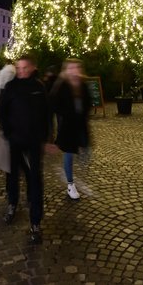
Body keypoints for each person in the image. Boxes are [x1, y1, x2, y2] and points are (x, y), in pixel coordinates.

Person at [0, 54, 51, 243]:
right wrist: (8, 132)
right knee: (12, 175)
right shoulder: (10, 87)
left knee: (35, 178)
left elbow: (47, 113)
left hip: (35, 142)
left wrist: (47, 137)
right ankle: (12, 203)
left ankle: (35, 221)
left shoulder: (39, 87)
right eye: (18, 68)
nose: (21, 72)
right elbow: (1, 112)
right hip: (15, 140)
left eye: (24, 68)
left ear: (32, 68)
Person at [49, 58, 92, 201]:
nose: (74, 71)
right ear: (66, 70)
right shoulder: (61, 85)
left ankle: (79, 165)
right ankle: (70, 184)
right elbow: (53, 104)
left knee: (85, 152)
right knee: (68, 155)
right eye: (71, 68)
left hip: (81, 126)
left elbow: (88, 103)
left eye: (76, 68)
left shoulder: (83, 85)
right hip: (67, 126)